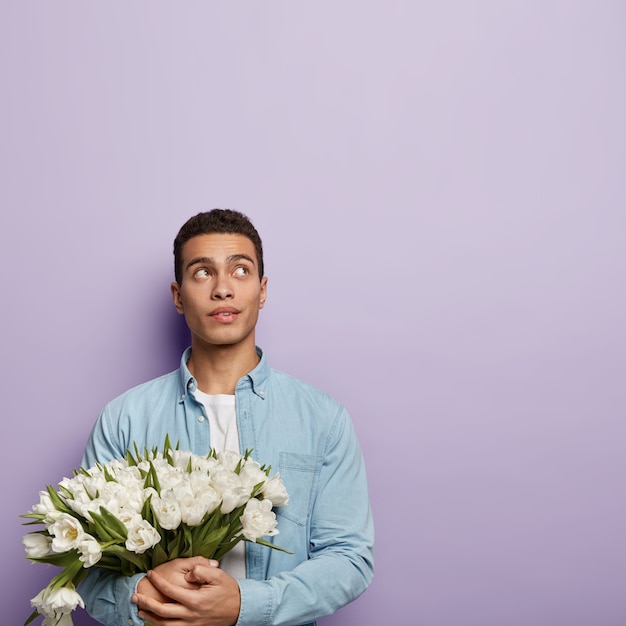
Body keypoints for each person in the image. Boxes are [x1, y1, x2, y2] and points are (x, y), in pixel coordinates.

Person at [78, 209, 374, 626]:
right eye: (202, 273)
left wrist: (245, 606)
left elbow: (349, 558)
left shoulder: (323, 419)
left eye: (240, 270)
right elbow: (87, 566)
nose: (222, 289)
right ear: (178, 296)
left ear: (262, 289)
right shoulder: (124, 418)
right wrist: (144, 597)